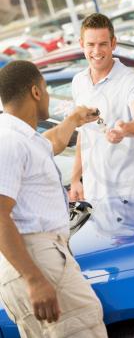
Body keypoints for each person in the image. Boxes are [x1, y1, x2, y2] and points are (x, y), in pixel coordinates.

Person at [0, 60, 108, 338]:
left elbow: (50, 143)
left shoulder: (19, 137)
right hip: (35, 257)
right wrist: (34, 279)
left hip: (32, 257)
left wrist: (73, 120)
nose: (47, 96)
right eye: (46, 90)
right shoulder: (9, 141)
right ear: (36, 92)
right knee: (85, 327)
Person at [70, 13, 134, 202]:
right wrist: (76, 179)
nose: (96, 51)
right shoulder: (79, 82)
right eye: (90, 44)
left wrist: (125, 129)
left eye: (103, 44)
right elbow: (83, 134)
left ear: (113, 43)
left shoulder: (132, 81)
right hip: (97, 193)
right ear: (81, 44)